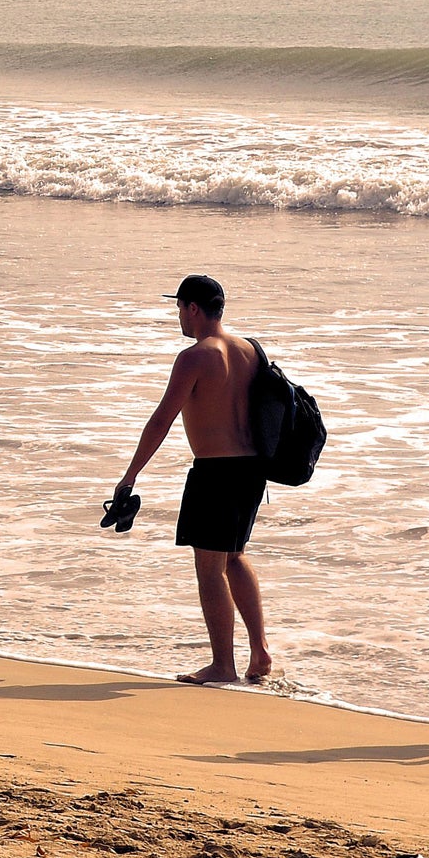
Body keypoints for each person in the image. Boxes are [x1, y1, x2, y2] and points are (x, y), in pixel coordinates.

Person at [114, 274, 273, 685]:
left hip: (215, 473)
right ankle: (260, 651)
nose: (178, 317)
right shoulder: (250, 350)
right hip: (252, 470)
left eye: (179, 308)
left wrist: (130, 475)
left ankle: (223, 665)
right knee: (234, 557)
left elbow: (162, 419)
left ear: (194, 309)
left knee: (209, 568)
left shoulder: (195, 357)